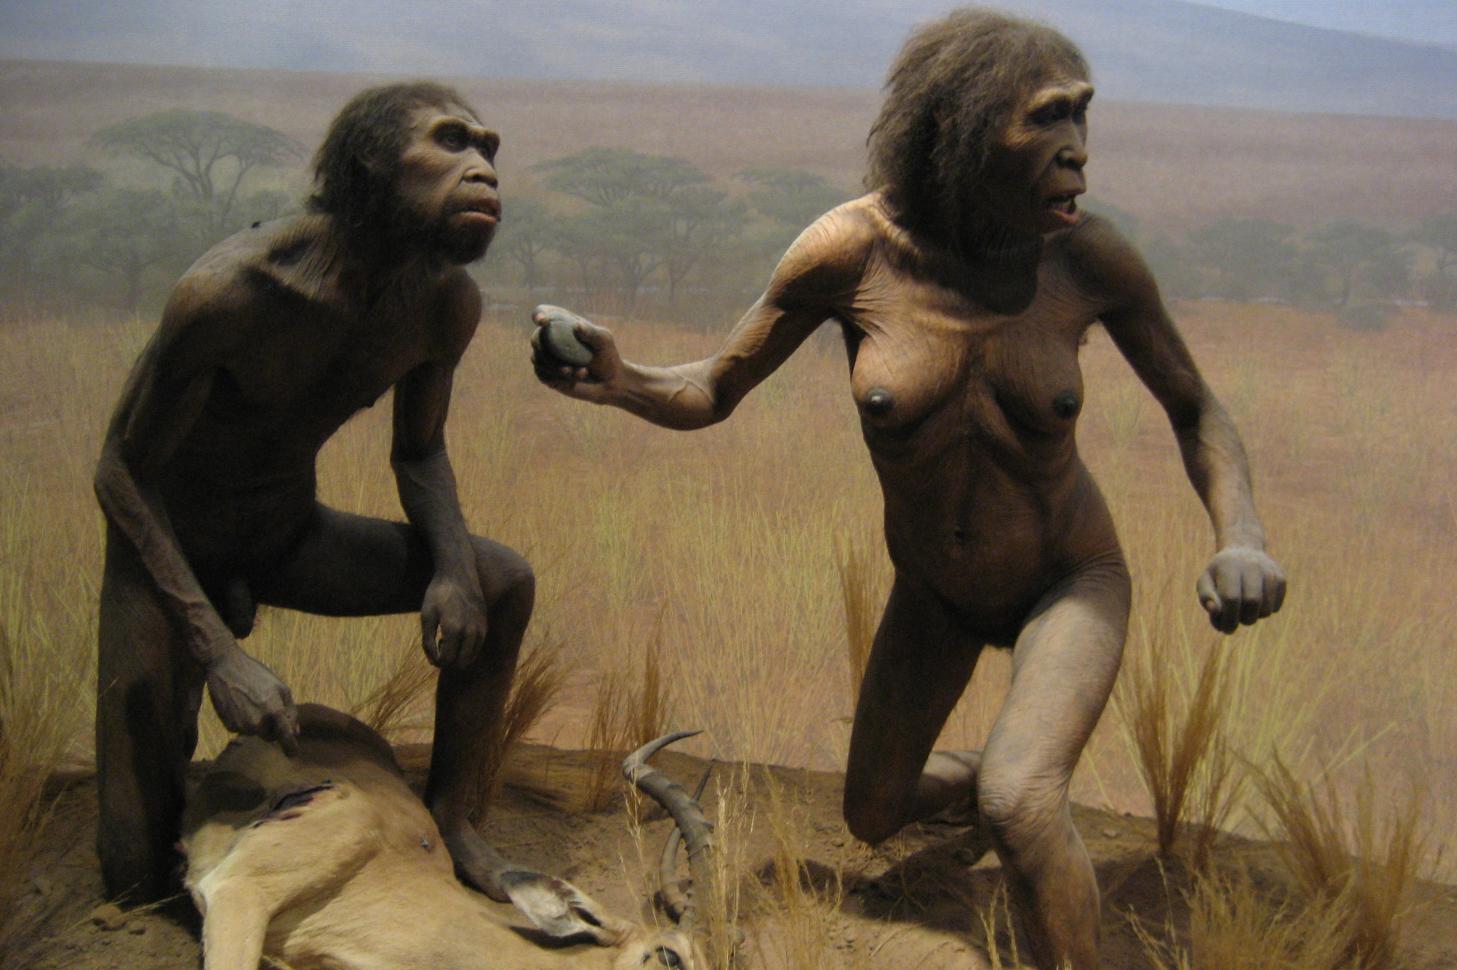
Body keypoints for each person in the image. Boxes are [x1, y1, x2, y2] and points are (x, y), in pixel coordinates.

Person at [530, 10, 1285, 968]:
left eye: (1080, 115)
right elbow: (714, 388)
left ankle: (1018, 817)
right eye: (1047, 118)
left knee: (1020, 800)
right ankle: (990, 784)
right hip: (933, 592)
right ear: (955, 128)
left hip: (1068, 578)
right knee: (872, 811)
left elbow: (1195, 408)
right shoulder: (847, 251)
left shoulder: (1088, 260)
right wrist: (623, 379)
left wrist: (1241, 536)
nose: (1078, 150)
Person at [93, 82, 534, 904]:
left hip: (285, 536)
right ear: (370, 161)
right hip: (170, 551)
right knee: (135, 875)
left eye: (488, 149)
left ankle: (453, 820)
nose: (482, 168)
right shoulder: (230, 291)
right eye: (451, 141)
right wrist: (217, 652)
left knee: (499, 581)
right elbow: (122, 470)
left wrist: (451, 569)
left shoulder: (442, 302)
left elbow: (419, 451)